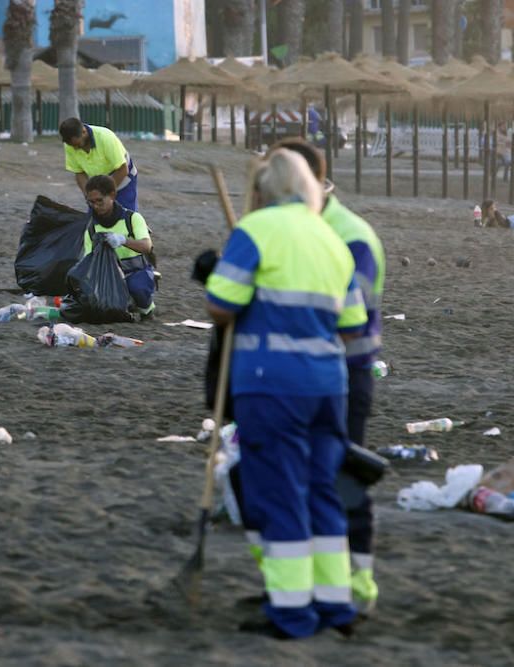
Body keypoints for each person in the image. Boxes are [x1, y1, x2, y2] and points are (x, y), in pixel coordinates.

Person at [205, 149, 367, 639]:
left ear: (261, 190)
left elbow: (221, 305)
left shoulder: (256, 231)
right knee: (322, 491)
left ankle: (292, 613)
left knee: (279, 492)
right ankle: (335, 607)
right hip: (328, 386)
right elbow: (352, 327)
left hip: (270, 382)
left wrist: (214, 270)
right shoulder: (331, 239)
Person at [260, 137, 385, 616]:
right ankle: (316, 589)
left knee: (341, 483)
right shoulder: (298, 226)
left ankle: (360, 586)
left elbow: (357, 323)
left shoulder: (348, 235)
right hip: (307, 376)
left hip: (342, 378)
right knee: (306, 484)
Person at [82, 175, 156, 318]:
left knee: (138, 289)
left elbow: (147, 246)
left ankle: (146, 307)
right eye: (91, 202)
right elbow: (87, 261)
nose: (96, 206)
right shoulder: (91, 228)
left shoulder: (133, 218)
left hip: (135, 272)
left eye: (100, 201)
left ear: (112, 195)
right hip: (108, 276)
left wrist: (123, 240)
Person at [60, 117, 139, 211]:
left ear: (84, 132)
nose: (75, 149)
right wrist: (88, 194)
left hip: (121, 176)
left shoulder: (105, 137)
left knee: (125, 215)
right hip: (98, 181)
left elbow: (122, 169)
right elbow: (79, 172)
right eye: (72, 146)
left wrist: (106, 194)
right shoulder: (70, 145)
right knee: (95, 218)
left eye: (78, 145)